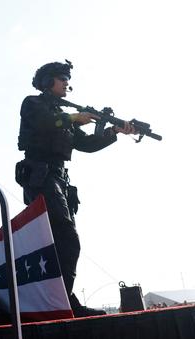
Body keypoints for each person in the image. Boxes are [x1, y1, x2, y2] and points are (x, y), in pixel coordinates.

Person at [15, 60, 135, 317]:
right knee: (68, 240)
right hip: (41, 176)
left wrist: (114, 130)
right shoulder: (33, 104)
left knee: (62, 243)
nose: (67, 82)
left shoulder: (64, 116)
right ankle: (61, 302)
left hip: (58, 180)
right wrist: (74, 118)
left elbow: (88, 145)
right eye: (61, 77)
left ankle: (64, 300)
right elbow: (47, 123)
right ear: (48, 82)